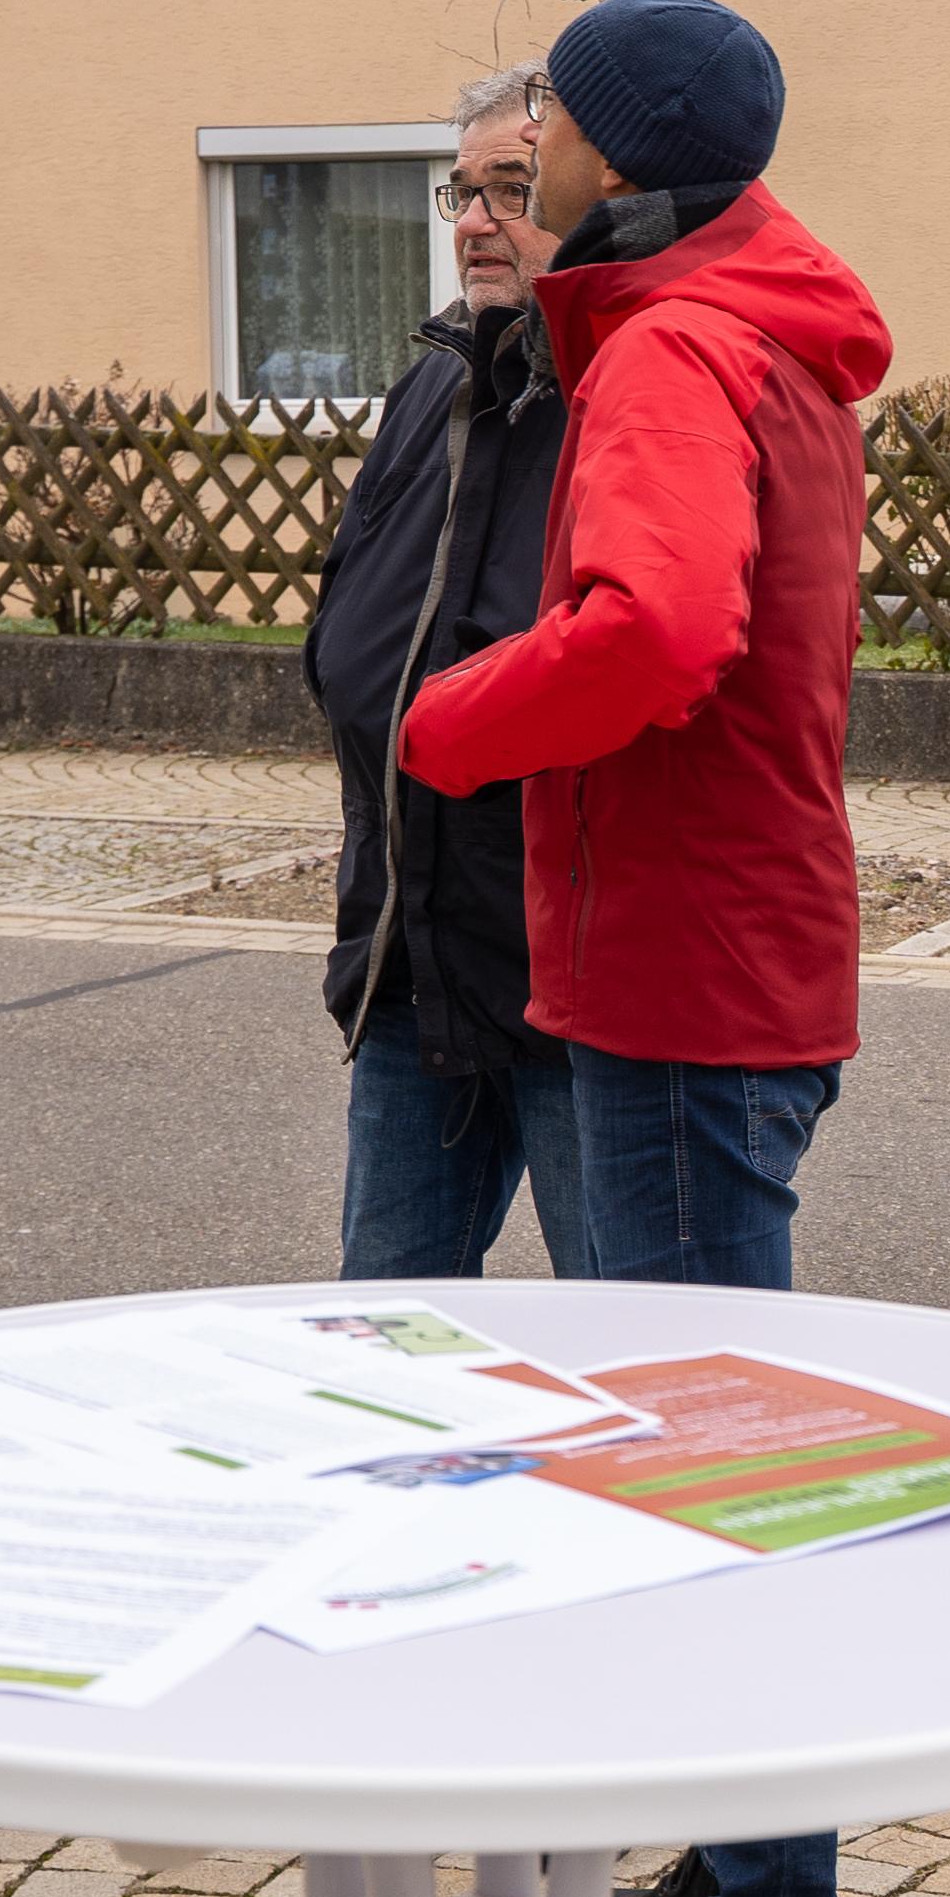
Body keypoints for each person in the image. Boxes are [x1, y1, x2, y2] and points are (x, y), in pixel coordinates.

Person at [396, 0, 890, 1897]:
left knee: (713, 1474)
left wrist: (454, 723)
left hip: (688, 974)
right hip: (720, 953)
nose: (538, 160)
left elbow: (663, 634)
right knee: (713, 1434)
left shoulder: (676, 348)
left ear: (624, 156)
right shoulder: (750, 323)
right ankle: (738, 1851)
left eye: (562, 132)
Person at [305, 69, 589, 1281]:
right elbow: (356, 606)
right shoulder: (433, 382)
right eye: (462, 193)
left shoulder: (619, 392)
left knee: (637, 1339)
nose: (475, 222)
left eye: (512, 189)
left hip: (565, 978)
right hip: (412, 961)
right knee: (384, 1333)